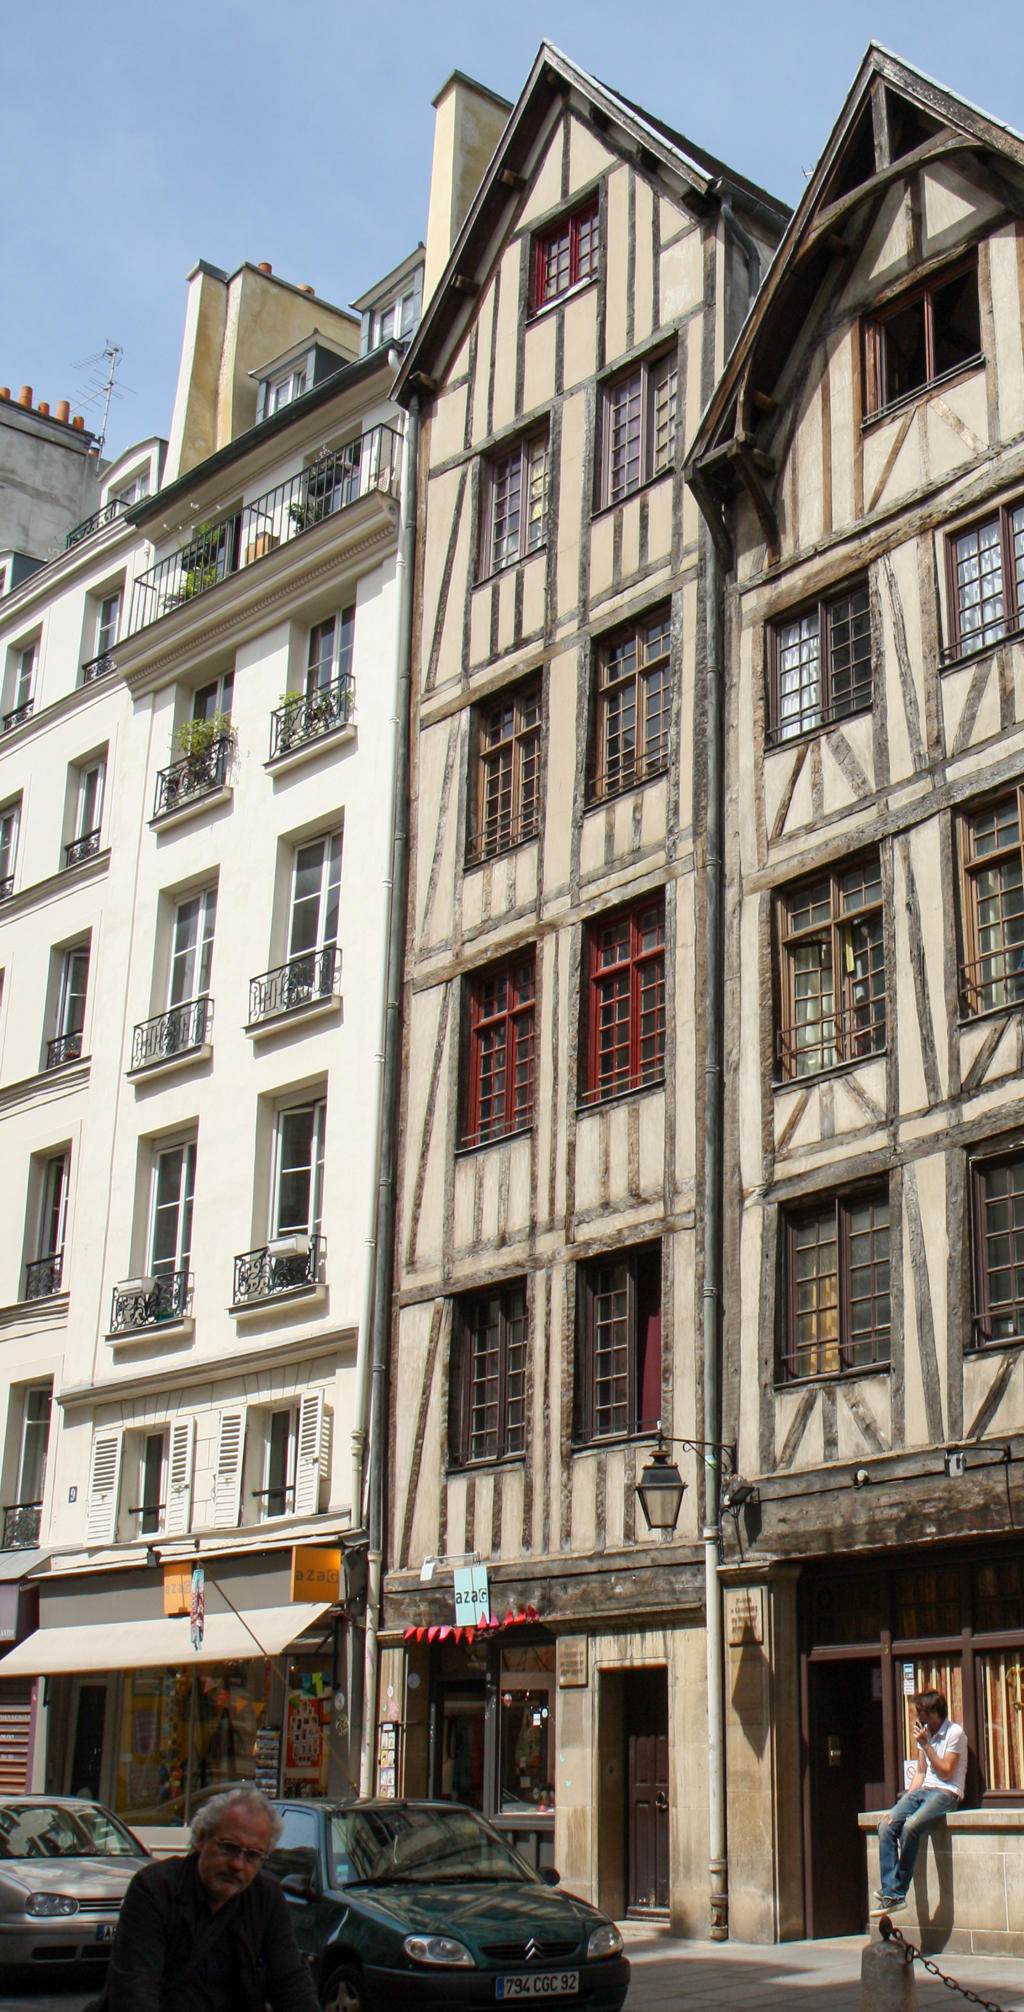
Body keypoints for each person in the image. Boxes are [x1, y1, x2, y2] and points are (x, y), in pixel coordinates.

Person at [87, 1785, 319, 2012]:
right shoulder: (155, 1889)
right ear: (201, 1839)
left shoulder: (265, 1896)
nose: (237, 1864)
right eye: (229, 1848)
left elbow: (291, 1983)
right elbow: (135, 1991)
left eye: (253, 1856)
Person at [876, 1689, 967, 1910]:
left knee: (911, 1827)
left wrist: (927, 1744)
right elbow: (920, 1772)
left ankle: (897, 1891)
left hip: (947, 1792)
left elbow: (946, 1772)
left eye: (921, 1712)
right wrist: (901, 1805)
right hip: (923, 1790)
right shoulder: (924, 1732)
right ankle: (890, 1890)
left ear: (934, 1712)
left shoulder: (954, 1733)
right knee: (885, 1826)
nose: (917, 1718)